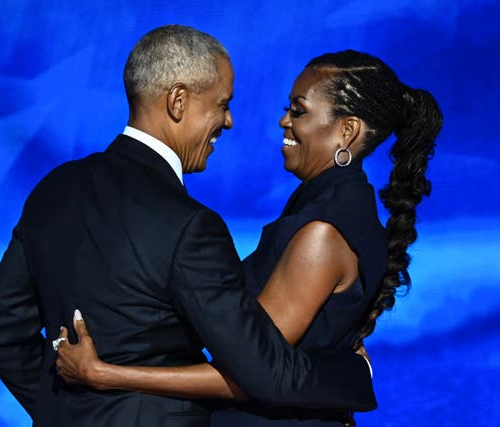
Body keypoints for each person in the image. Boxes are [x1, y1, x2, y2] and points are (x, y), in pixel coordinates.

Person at [0, 26, 376, 427]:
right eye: (223, 104)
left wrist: (68, 410)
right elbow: (264, 372)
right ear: (178, 102)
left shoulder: (54, 190)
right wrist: (354, 377)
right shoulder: (192, 227)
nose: (229, 121)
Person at [54, 49, 443, 426]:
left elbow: (252, 375)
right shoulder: (331, 212)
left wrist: (104, 374)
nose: (284, 122)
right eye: (288, 109)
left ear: (347, 131)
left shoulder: (322, 232)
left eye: (299, 110)